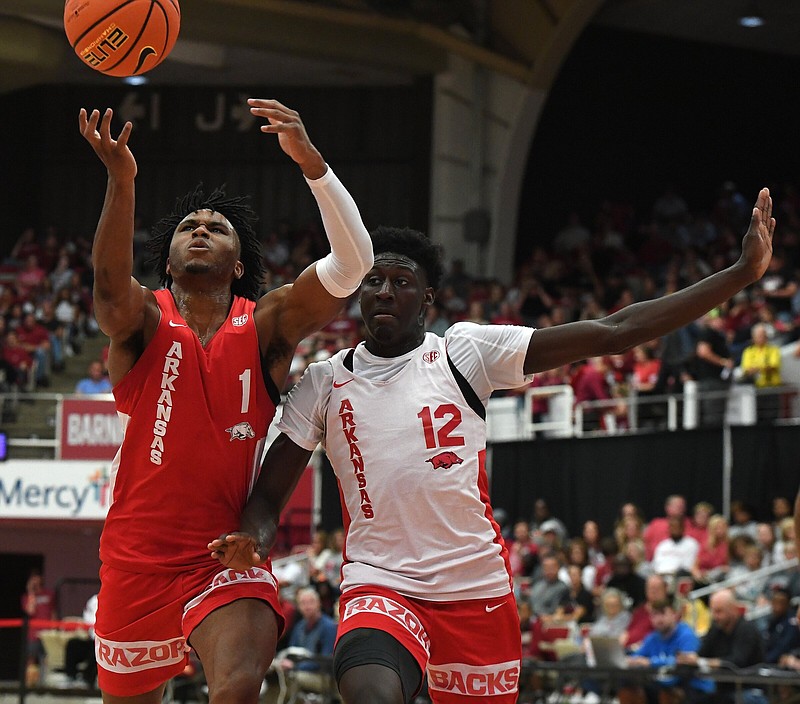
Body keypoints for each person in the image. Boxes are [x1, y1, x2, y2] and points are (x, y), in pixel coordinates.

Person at [212, 193, 775, 704]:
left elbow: (614, 331)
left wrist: (739, 274)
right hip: (380, 584)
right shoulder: (323, 382)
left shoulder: (466, 353)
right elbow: (267, 496)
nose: (384, 291)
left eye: (400, 281)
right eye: (373, 281)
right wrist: (253, 539)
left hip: (475, 587)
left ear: (427, 297)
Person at [79, 98, 373, 703]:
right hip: (135, 557)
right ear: (168, 261)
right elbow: (108, 289)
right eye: (189, 227)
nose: (202, 230)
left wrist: (313, 164)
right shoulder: (144, 320)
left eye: (217, 227)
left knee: (239, 685)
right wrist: (121, 179)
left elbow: (352, 266)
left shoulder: (266, 324)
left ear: (239, 265)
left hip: (224, 551)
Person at [676, 589, 765, 704]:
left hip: (749, 689)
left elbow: (737, 662)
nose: (715, 616)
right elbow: (701, 654)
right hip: (723, 691)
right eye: (712, 611)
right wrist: (688, 659)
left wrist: (703, 662)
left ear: (733, 610)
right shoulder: (716, 629)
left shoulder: (747, 630)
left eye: (719, 611)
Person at [278, 587, 338, 701]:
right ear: (299, 607)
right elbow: (291, 651)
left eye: (311, 602)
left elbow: (326, 660)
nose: (307, 606)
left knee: (290, 679)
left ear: (319, 603)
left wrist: (296, 666)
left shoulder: (328, 627)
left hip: (322, 676)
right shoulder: (299, 627)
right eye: (303, 603)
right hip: (298, 670)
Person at [20, 569, 56, 680]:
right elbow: (30, 611)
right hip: (33, 633)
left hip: (48, 632)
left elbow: (53, 612)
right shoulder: (26, 597)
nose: (35, 580)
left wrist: (55, 628)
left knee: (47, 659)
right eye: (33, 577)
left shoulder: (49, 594)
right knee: (31, 659)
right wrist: (31, 591)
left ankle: (44, 684)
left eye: (37, 577)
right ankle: (30, 685)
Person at [63, 593, 98, 688]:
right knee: (72, 644)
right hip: (91, 638)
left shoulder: (115, 599)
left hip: (104, 642)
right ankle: (71, 676)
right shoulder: (94, 600)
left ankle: (87, 679)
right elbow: (87, 618)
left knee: (97, 649)